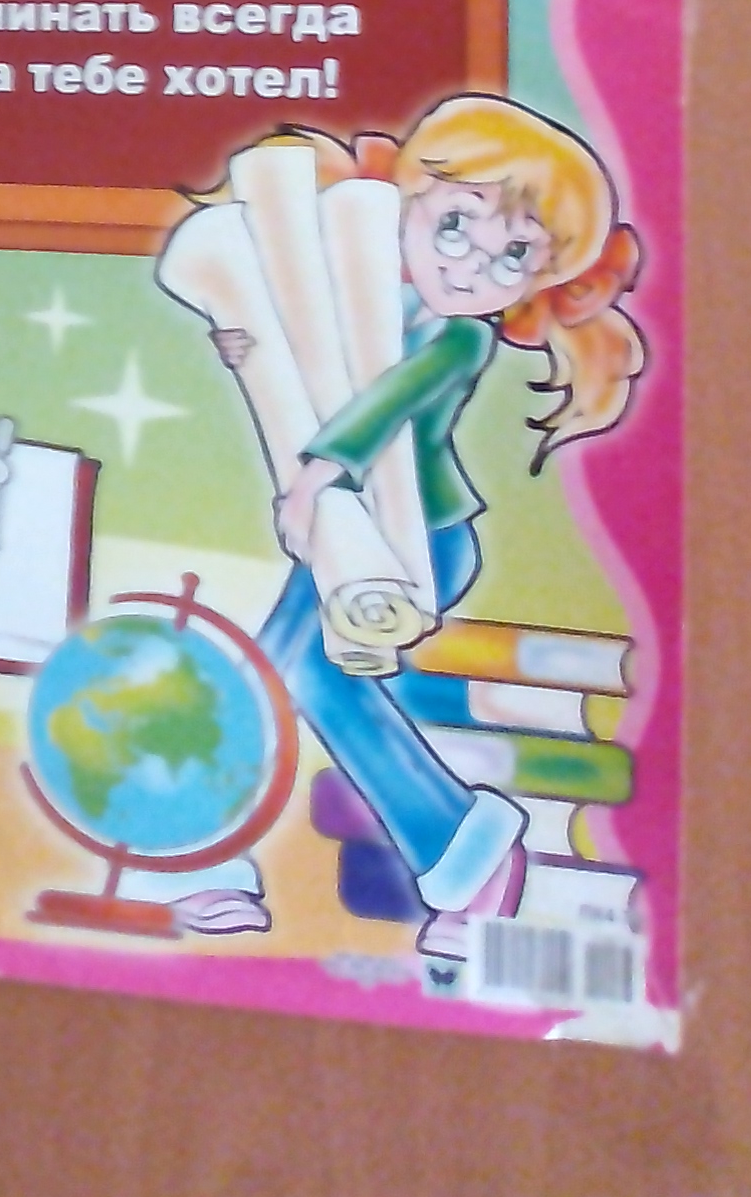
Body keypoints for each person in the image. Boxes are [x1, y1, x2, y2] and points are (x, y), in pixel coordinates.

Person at [176, 92, 644, 947]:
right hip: (347, 530)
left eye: (514, 255)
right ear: (410, 202)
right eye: (455, 226)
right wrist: (245, 342)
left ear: (541, 278)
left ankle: (456, 853)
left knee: (302, 674)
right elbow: (305, 361)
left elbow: (388, 401)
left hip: (421, 539)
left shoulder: (462, 339)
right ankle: (237, 860)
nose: (471, 267)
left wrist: (321, 472)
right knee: (285, 673)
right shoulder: (359, 292)